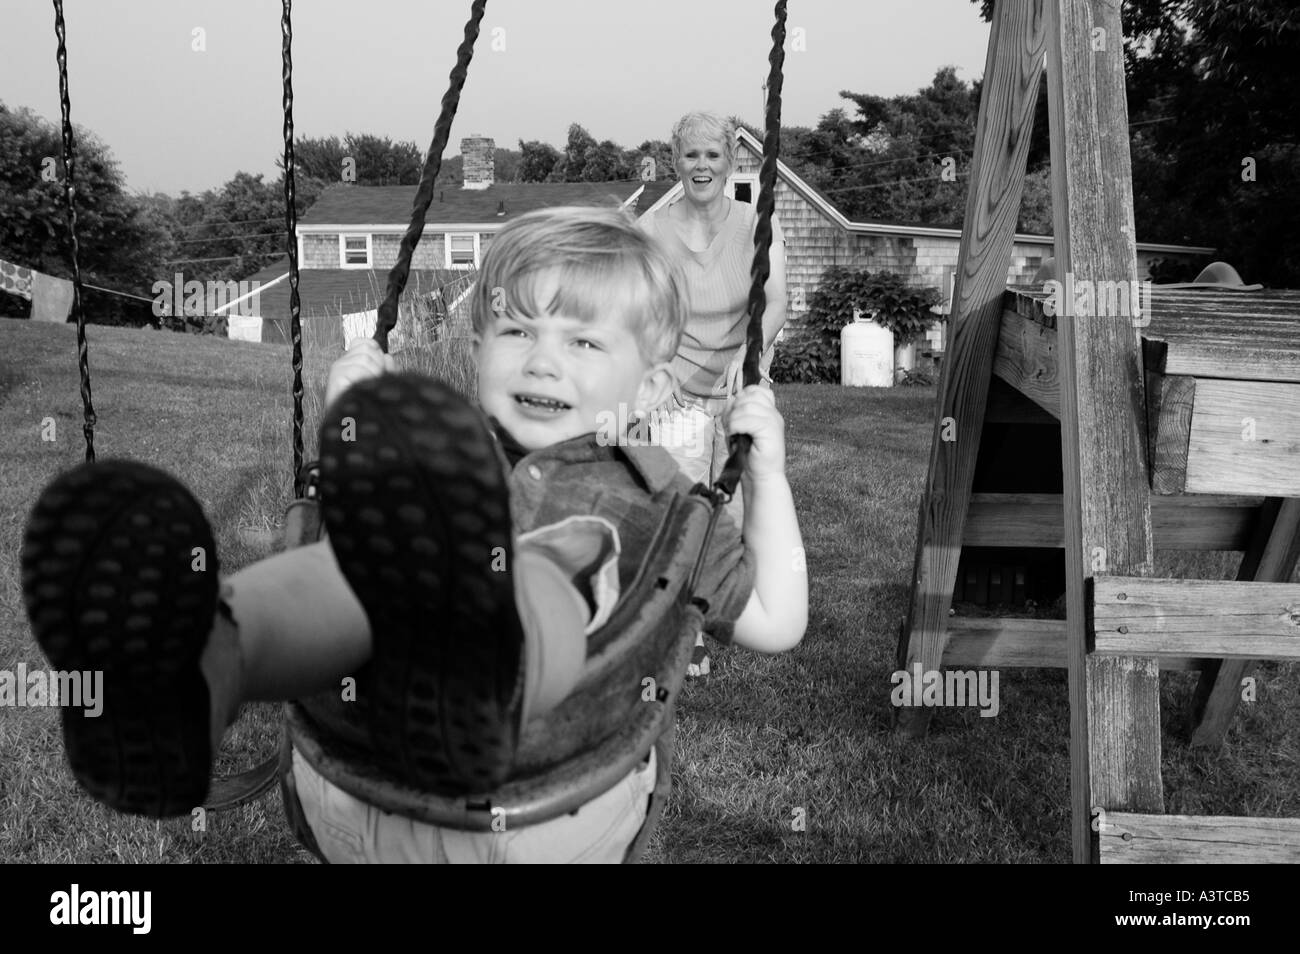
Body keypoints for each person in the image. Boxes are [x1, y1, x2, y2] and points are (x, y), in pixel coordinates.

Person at [21, 206, 808, 864]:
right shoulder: (425, 455)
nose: (542, 361)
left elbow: (775, 620)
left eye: (584, 342)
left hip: (538, 814)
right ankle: (201, 665)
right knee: (356, 567)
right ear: (475, 351)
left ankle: (473, 653)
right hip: (368, 794)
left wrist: (765, 475)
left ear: (655, 386)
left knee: (554, 568)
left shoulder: (665, 504)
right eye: (516, 332)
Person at [638, 111, 790, 675]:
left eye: (713, 156)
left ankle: (728, 610)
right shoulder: (652, 231)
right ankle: (684, 631)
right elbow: (644, 310)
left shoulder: (757, 222)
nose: (701, 166)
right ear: (674, 161)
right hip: (675, 391)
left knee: (735, 512)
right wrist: (660, 371)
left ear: (730, 162)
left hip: (738, 383)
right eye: (690, 155)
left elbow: (776, 302)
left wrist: (748, 354)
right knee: (681, 510)